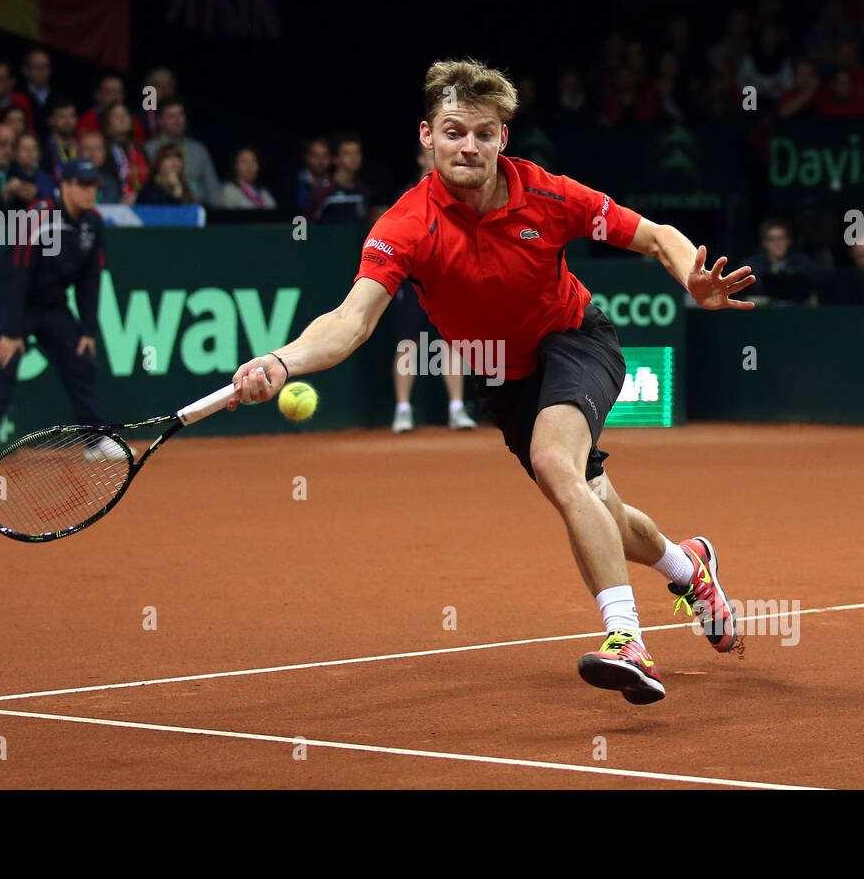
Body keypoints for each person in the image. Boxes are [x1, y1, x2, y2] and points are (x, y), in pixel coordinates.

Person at [223, 59, 753, 704]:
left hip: (575, 338)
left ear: (503, 138)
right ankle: (687, 566)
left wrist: (688, 277)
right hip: (505, 375)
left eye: (482, 132)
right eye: (453, 132)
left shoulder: (550, 194)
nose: (467, 146)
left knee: (557, 466)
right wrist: (281, 362)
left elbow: (655, 235)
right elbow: (350, 321)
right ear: (427, 136)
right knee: (601, 508)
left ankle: (627, 640)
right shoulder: (406, 226)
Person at [0, 158, 111, 467]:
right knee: (6, 361)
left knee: (80, 361)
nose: (90, 192)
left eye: (93, 186)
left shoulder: (92, 222)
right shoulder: (39, 215)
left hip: (53, 305)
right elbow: (16, 272)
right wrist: (10, 330)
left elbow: (90, 279)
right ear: (66, 186)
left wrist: (87, 329)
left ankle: (95, 440)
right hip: (17, 299)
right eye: (83, 186)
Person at [389, 145, 475, 432]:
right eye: (430, 154)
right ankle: (403, 410)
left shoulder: (457, 193)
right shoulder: (406, 195)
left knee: (452, 342)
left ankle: (457, 408)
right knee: (407, 343)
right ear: (421, 157)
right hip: (412, 281)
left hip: (448, 281)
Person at [141, 97, 220, 203]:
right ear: (160, 121)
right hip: (158, 208)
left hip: (196, 209)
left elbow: (213, 191)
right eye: (171, 116)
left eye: (180, 115)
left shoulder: (199, 150)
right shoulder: (149, 149)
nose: (177, 120)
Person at [307, 133, 372, 222]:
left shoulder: (364, 190)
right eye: (347, 153)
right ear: (335, 159)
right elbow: (309, 224)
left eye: (357, 152)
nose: (354, 158)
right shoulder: (322, 190)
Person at [741, 217, 816, 277]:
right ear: (764, 243)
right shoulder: (751, 268)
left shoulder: (804, 265)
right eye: (771, 239)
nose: (777, 244)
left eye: (781, 238)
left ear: (789, 240)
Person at [11, 131, 56, 201]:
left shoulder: (47, 178)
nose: (30, 152)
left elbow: (54, 201)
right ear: (15, 153)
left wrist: (37, 193)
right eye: (25, 148)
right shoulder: (7, 175)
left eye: (34, 148)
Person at [293, 136, 331, 210]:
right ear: (307, 157)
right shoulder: (293, 184)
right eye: (316, 156)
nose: (321, 161)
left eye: (325, 156)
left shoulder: (335, 184)